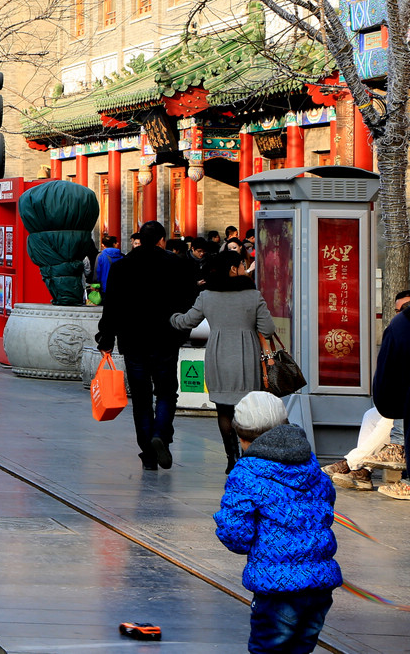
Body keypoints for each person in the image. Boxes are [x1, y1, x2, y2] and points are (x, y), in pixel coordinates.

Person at [215, 391, 341, 653]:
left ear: (242, 438)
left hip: (277, 588)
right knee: (301, 648)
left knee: (268, 648)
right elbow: (326, 502)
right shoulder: (309, 462)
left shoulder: (247, 472)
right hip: (319, 586)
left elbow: (236, 534)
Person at [96, 219, 200, 471]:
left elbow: (112, 306)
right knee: (166, 392)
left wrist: (106, 337)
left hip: (133, 341)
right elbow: (190, 300)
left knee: (141, 398)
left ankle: (148, 452)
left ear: (140, 239)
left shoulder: (122, 267)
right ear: (162, 240)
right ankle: (160, 435)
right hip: (166, 338)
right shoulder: (178, 265)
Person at [170, 250, 277, 472]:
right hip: (247, 355)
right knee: (248, 409)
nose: (245, 268)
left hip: (218, 355)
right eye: (242, 265)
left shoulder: (207, 296)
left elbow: (187, 321)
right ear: (233, 269)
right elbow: (268, 329)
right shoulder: (253, 295)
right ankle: (249, 456)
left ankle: (231, 458)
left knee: (224, 411)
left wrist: (171, 317)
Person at [324, 288, 410, 496]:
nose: (400, 314)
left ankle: (352, 464)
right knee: (372, 415)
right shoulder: (400, 328)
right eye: (398, 310)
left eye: (405, 309)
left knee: (388, 419)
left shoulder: (401, 329)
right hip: (400, 400)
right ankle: (363, 472)